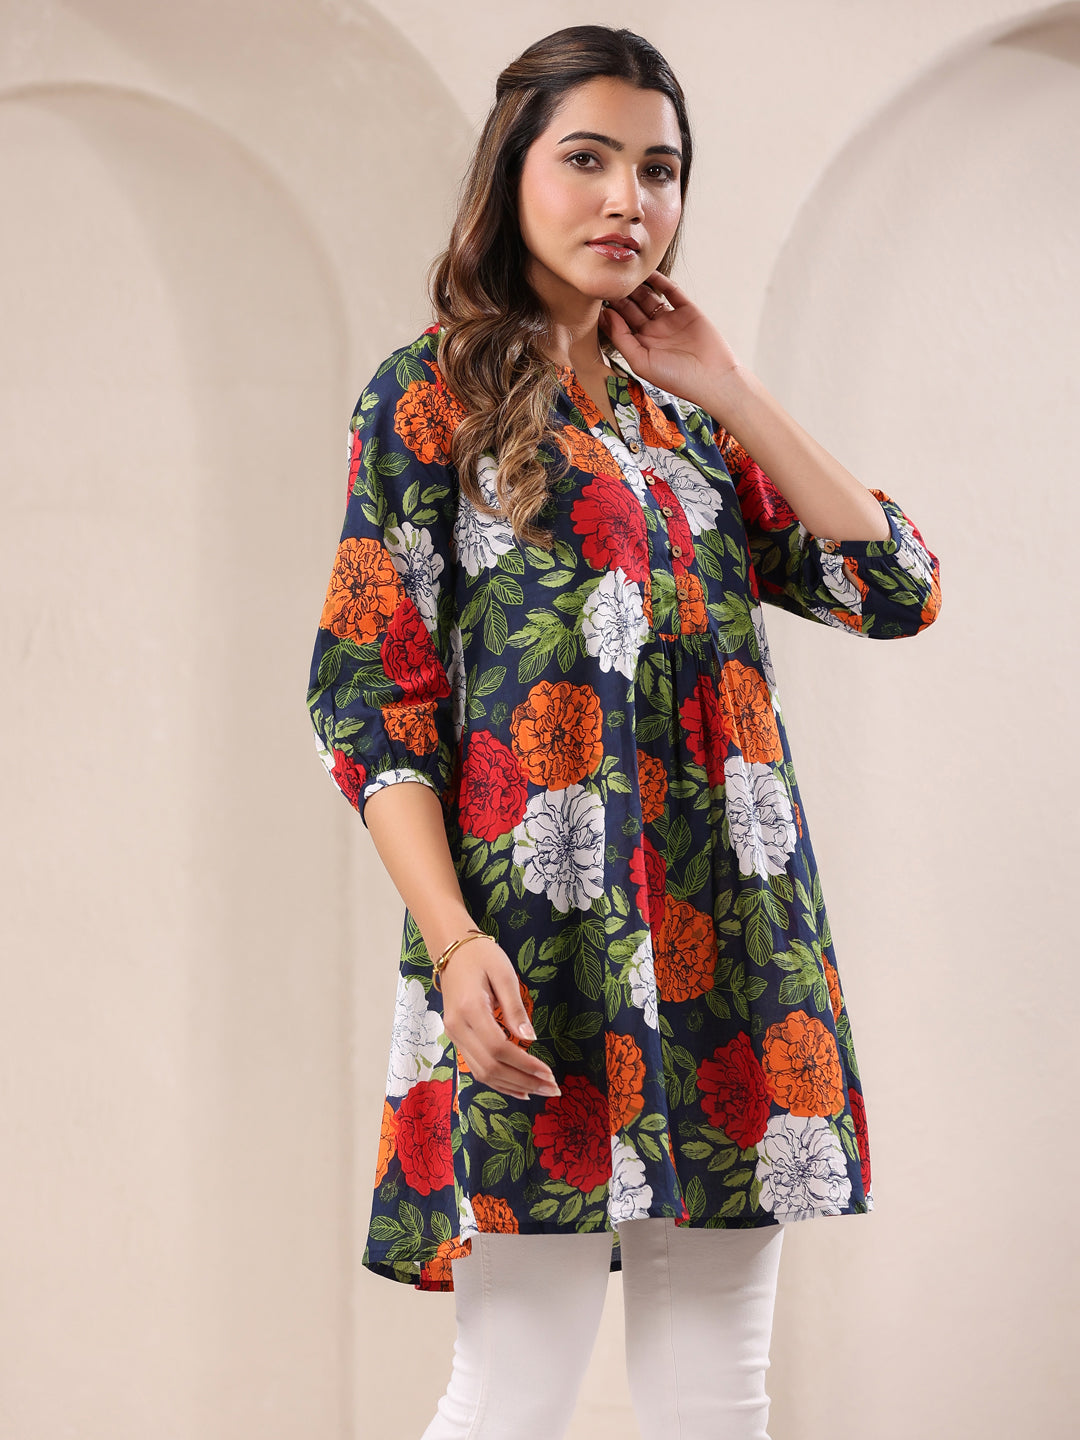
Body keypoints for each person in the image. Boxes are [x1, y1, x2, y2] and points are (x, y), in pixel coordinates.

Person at [306, 23, 941, 1440]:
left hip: (737, 944)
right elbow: (369, 704)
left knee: (717, 1402)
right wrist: (454, 944)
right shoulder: (427, 395)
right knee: (513, 1394)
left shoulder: (687, 423)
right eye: (587, 159)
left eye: (658, 170)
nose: (627, 201)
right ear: (512, 175)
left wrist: (733, 388)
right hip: (534, 948)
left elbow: (895, 586)